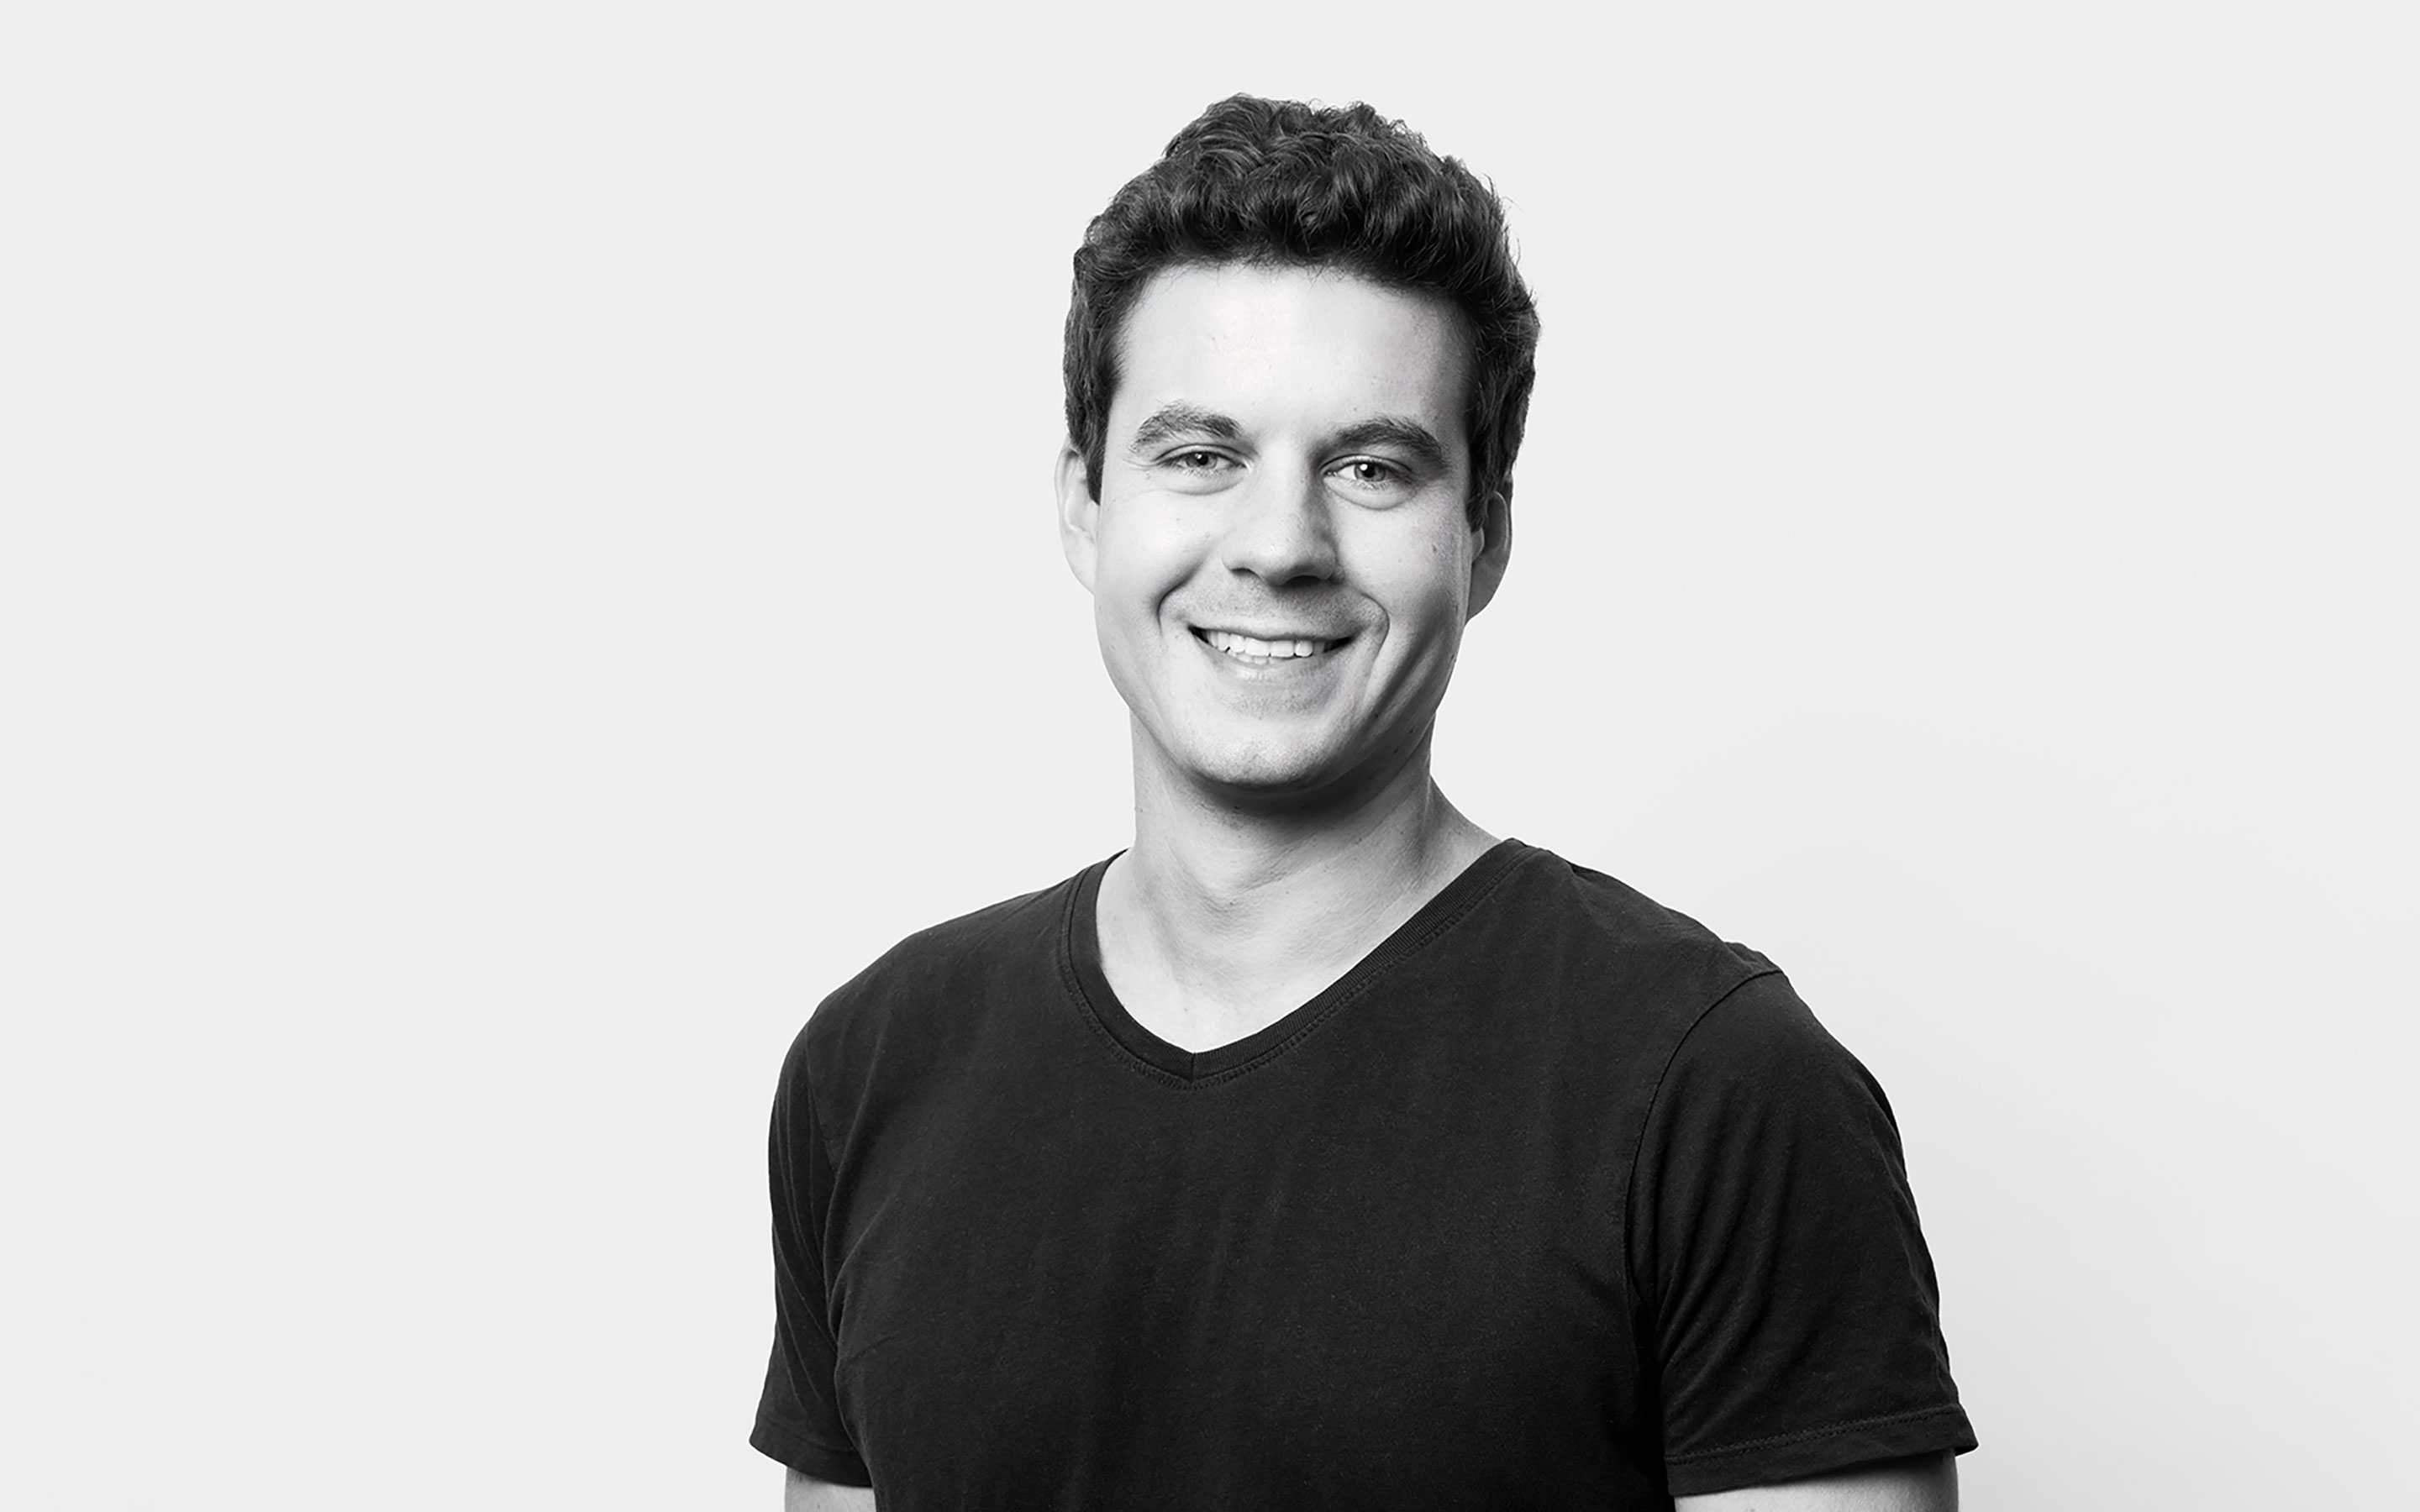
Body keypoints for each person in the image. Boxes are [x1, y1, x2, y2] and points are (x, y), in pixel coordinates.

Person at [752, 94, 1975, 1510]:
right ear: (1085, 503)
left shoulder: (1717, 1091)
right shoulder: (874, 1067)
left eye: (1371, 468)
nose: (1280, 545)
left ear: (1485, 537)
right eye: (1200, 457)